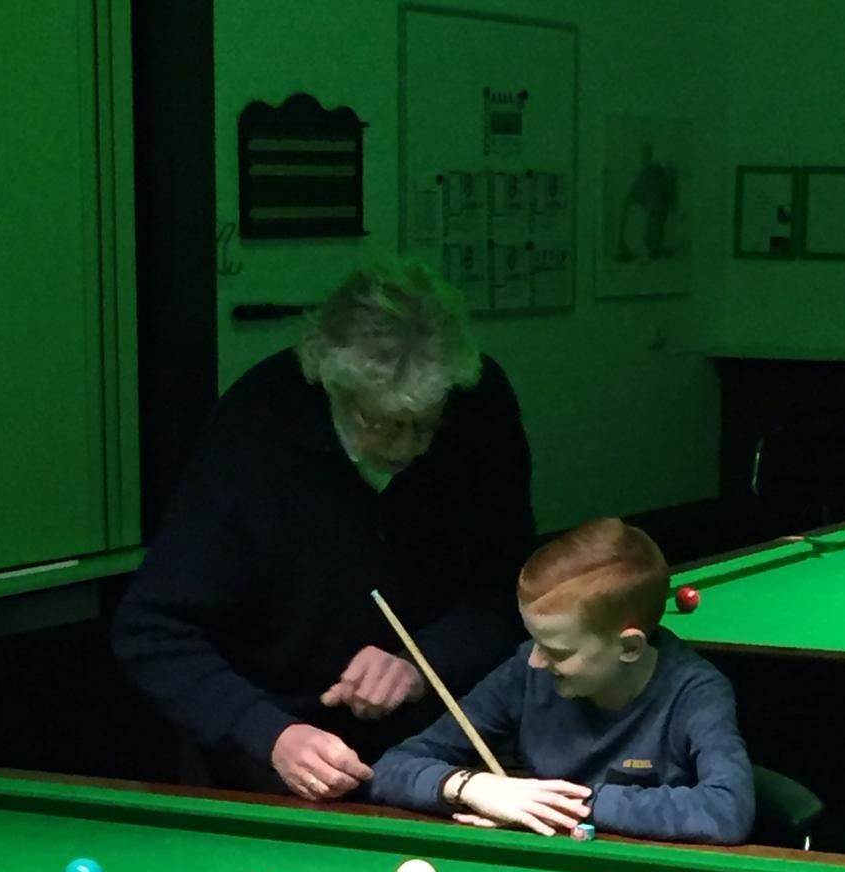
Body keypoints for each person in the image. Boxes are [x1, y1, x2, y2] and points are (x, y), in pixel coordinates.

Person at [112, 258, 535, 798]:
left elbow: (511, 589)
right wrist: (269, 734)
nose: (409, 446)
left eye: (427, 422)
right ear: (327, 381)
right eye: (380, 422)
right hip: (280, 762)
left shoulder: (477, 407)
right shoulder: (253, 434)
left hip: (444, 754)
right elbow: (152, 631)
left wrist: (422, 662)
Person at [369, 519, 755, 844]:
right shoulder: (524, 672)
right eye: (533, 640)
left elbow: (726, 810)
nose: (536, 661)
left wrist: (564, 804)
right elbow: (393, 767)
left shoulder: (696, 692)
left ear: (630, 647)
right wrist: (473, 787)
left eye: (557, 651)